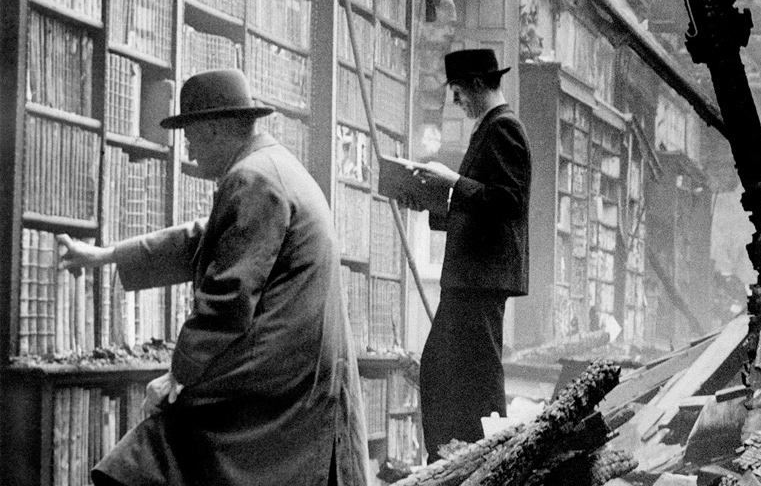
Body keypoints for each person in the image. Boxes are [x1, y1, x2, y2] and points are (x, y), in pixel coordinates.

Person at [58, 69, 367, 485]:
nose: (187, 146)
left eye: (191, 132)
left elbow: (228, 298)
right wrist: (107, 255)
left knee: (154, 450)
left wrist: (179, 376)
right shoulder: (270, 165)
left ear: (218, 128)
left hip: (281, 379)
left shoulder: (252, 178)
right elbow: (203, 240)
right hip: (300, 371)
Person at [408, 49, 531, 460]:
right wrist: (431, 201)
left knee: (469, 373)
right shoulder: (489, 128)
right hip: (472, 277)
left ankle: (484, 458)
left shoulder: (504, 128)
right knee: (450, 371)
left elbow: (510, 202)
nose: (456, 102)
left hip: (481, 279)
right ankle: (455, 456)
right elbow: (483, 207)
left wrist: (454, 180)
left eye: (459, 92)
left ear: (478, 84)